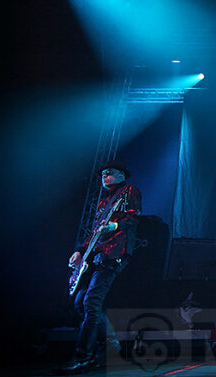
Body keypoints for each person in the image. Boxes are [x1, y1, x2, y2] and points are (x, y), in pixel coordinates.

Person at [55, 160, 142, 375]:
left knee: (91, 302)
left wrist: (115, 225)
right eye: (102, 174)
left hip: (114, 254)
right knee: (81, 302)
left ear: (122, 175)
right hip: (96, 255)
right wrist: (80, 250)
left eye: (109, 173)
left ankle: (82, 357)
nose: (104, 176)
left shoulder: (129, 190)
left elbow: (133, 216)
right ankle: (111, 347)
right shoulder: (103, 203)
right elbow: (94, 232)